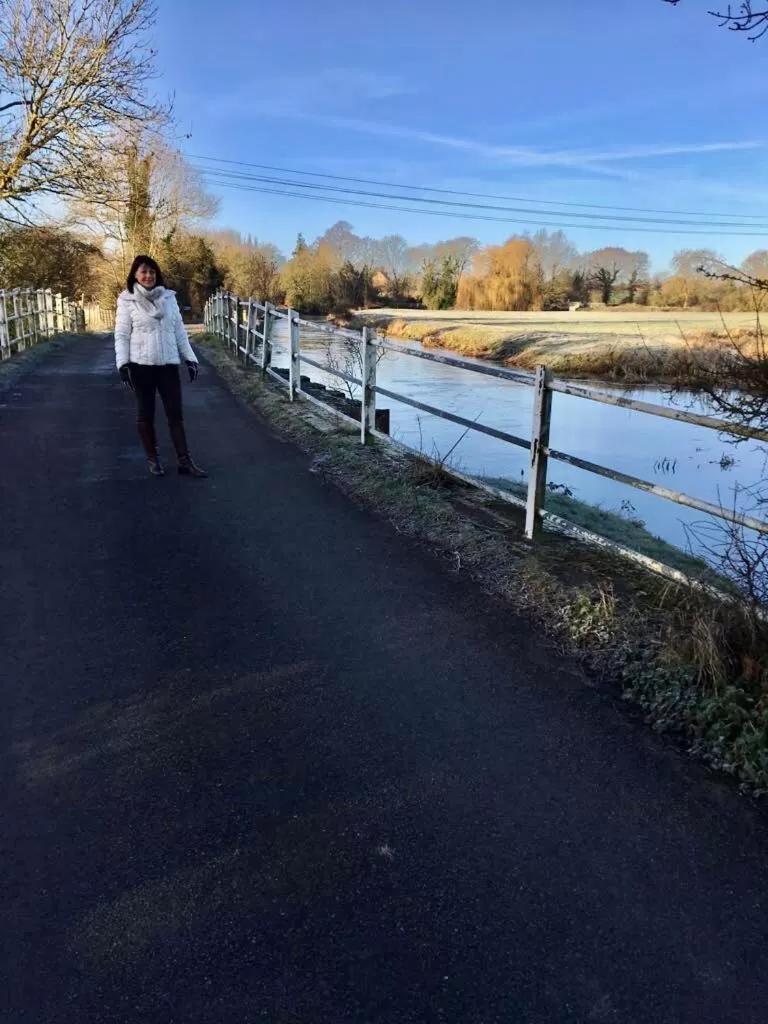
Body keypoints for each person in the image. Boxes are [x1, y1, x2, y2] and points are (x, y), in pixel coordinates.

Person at [115, 255, 206, 478]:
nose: (148, 276)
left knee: (175, 415)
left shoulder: (169, 298)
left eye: (152, 272)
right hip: (141, 366)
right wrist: (123, 363)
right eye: (143, 272)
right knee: (145, 414)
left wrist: (191, 359)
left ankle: (185, 462)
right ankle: (153, 460)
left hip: (168, 364)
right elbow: (122, 334)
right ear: (135, 275)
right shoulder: (127, 300)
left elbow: (179, 332)